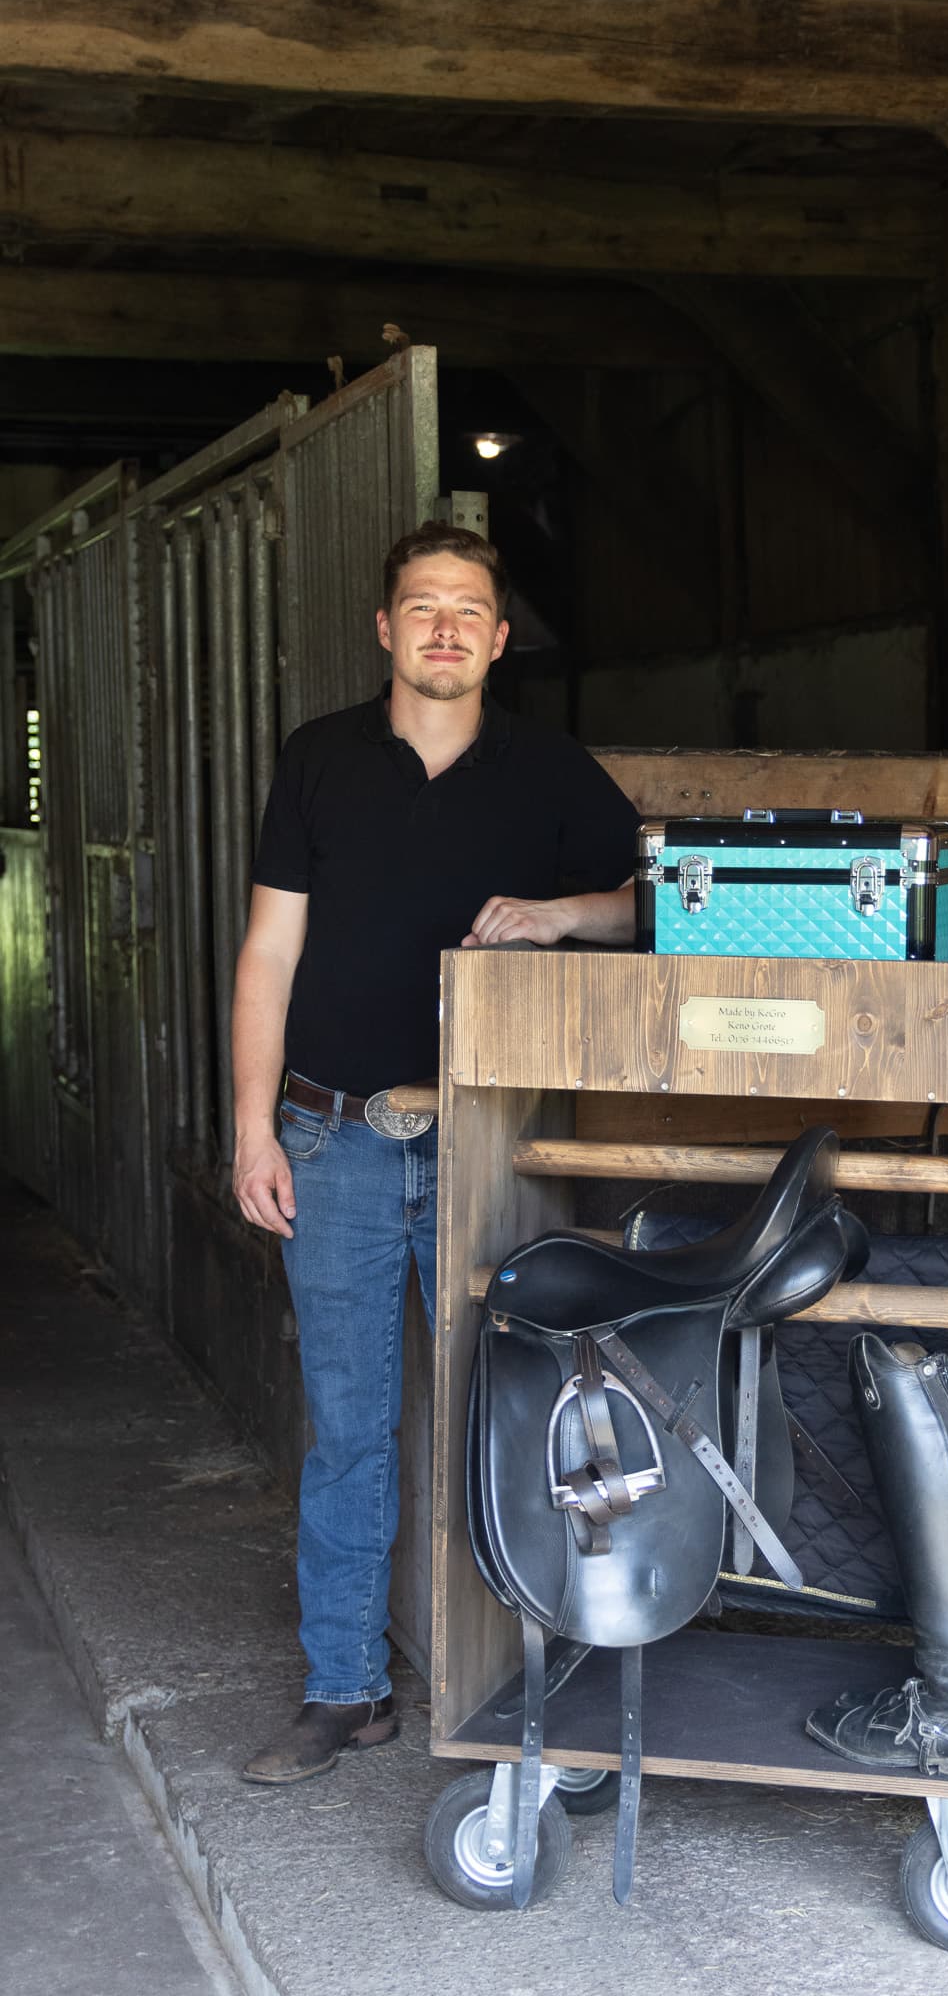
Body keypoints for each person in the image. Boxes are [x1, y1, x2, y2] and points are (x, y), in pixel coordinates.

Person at [231, 521, 638, 1784]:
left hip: (488, 1141)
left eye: (469, 609)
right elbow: (268, 954)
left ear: (500, 637)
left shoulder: (548, 768)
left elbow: (657, 895)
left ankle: (539, 1683)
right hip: (337, 1137)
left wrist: (559, 913)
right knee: (350, 1431)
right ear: (385, 627)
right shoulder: (319, 762)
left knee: (522, 1419)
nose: (446, 627)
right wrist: (250, 1123)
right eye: (423, 606)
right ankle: (345, 1689)